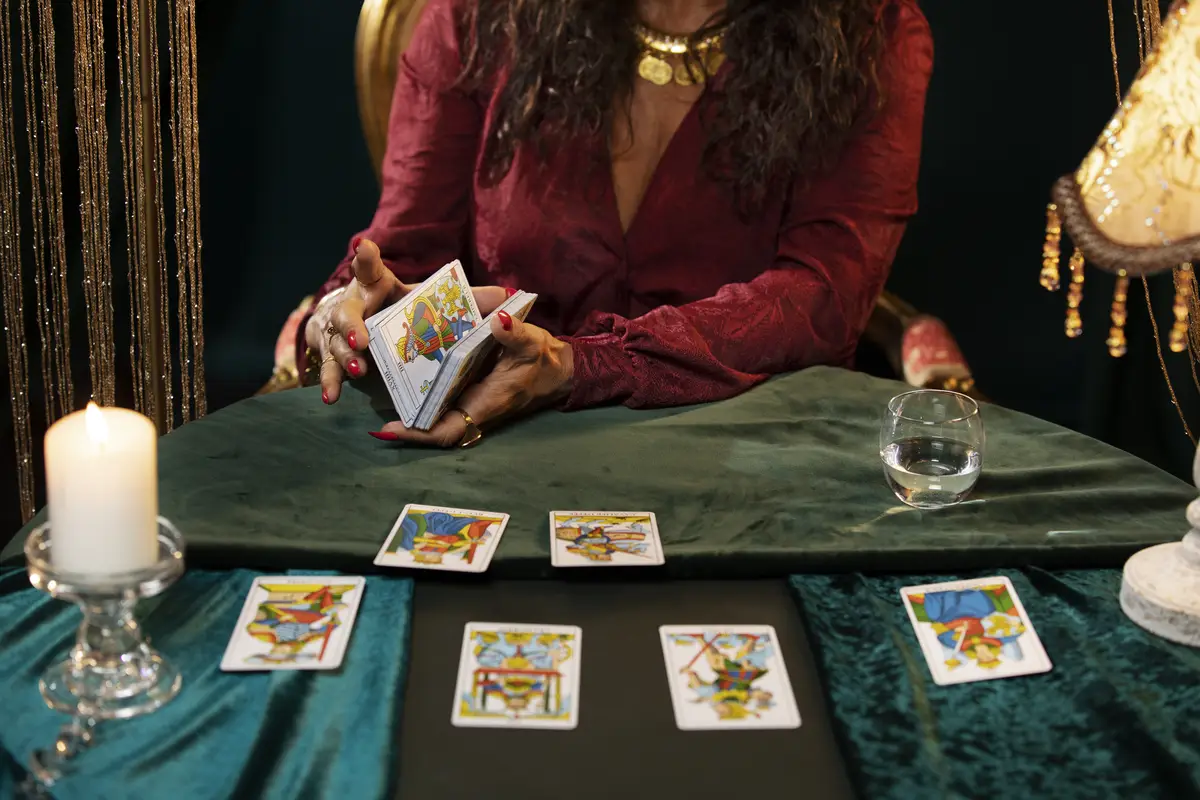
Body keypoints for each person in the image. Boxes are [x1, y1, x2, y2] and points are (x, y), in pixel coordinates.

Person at [300, 0, 934, 448]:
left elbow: (822, 297)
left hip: (751, 452)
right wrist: (361, 312)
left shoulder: (872, 33)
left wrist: (584, 364)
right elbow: (406, 252)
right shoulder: (477, 16)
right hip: (495, 448)